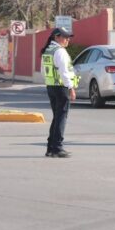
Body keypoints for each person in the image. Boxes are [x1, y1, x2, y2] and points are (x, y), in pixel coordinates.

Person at [40, 27, 79, 158]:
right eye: (65, 37)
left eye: (68, 37)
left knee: (57, 117)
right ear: (56, 37)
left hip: (51, 86)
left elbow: (43, 71)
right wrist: (71, 88)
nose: (68, 40)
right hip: (61, 87)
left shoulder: (48, 50)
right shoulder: (60, 51)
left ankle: (51, 148)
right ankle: (57, 148)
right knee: (61, 117)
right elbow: (64, 72)